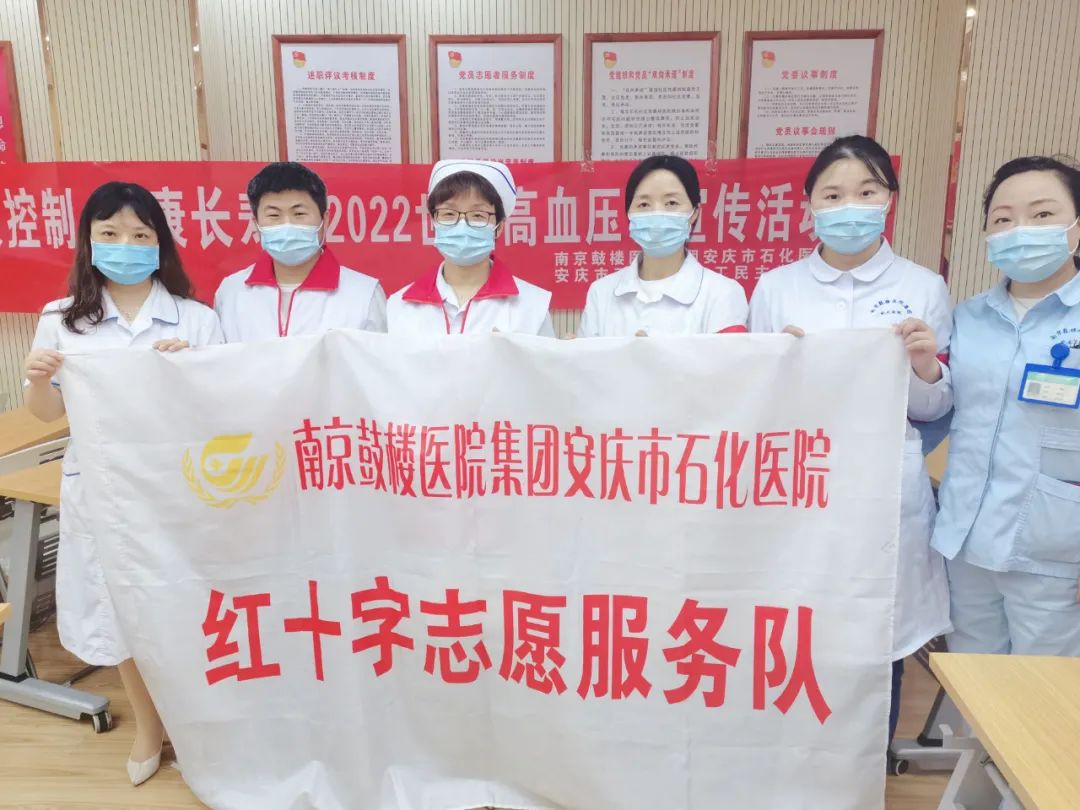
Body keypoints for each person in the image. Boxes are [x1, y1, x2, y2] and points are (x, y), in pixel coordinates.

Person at [748, 136, 953, 750]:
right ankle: (790, 761)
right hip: (799, 484)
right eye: (832, 195)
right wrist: (778, 365)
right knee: (796, 630)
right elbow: (756, 403)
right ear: (809, 205)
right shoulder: (776, 287)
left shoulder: (923, 286)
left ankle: (864, 769)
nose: (849, 206)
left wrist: (923, 366)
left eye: (866, 191)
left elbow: (933, 409)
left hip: (882, 490)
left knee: (876, 638)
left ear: (889, 200)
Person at [23, 182, 224, 786]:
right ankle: (148, 726)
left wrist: (191, 371)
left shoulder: (196, 318)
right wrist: (38, 379)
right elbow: (45, 414)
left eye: (140, 234)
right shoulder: (61, 319)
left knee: (183, 605)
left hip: (178, 489)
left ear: (160, 243)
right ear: (88, 242)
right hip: (104, 488)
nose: (126, 245)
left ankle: (196, 724)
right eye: (109, 233)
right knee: (124, 608)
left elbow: (222, 412)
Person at [933, 156, 1080, 657]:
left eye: (1043, 215)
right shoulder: (968, 318)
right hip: (966, 538)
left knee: (1045, 691)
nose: (1021, 230)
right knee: (972, 680)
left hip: (1056, 551)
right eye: (1003, 218)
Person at [577, 154, 747, 337]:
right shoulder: (601, 292)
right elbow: (588, 355)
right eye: (644, 204)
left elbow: (728, 356)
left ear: (695, 213)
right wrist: (571, 352)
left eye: (671, 203)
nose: (657, 212)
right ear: (629, 214)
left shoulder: (723, 293)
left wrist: (654, 353)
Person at [214, 161, 386, 340]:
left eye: (299, 214)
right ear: (256, 224)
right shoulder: (231, 293)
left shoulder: (364, 294)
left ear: (325, 220)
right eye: (274, 215)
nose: (287, 225)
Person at [386, 159, 554, 335]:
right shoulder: (399, 307)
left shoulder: (533, 307)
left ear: (499, 227)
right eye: (448, 213)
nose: (462, 224)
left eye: (477, 215)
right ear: (434, 222)